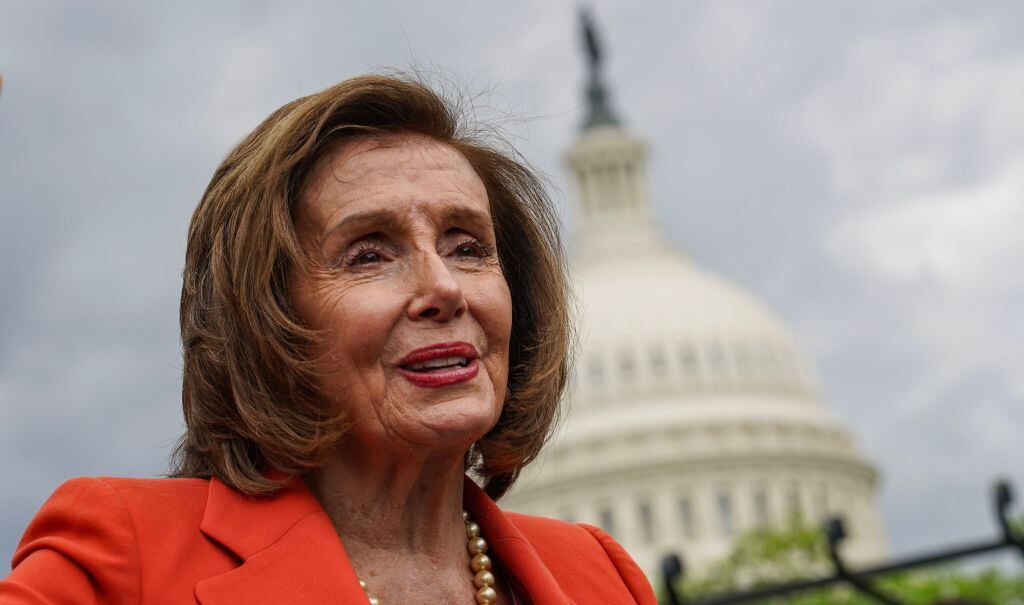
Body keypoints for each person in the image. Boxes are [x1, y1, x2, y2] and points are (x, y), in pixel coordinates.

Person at [1, 74, 657, 604]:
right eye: (369, 254)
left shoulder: (601, 575)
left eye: (468, 247)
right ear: (268, 319)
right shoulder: (124, 557)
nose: (444, 288)